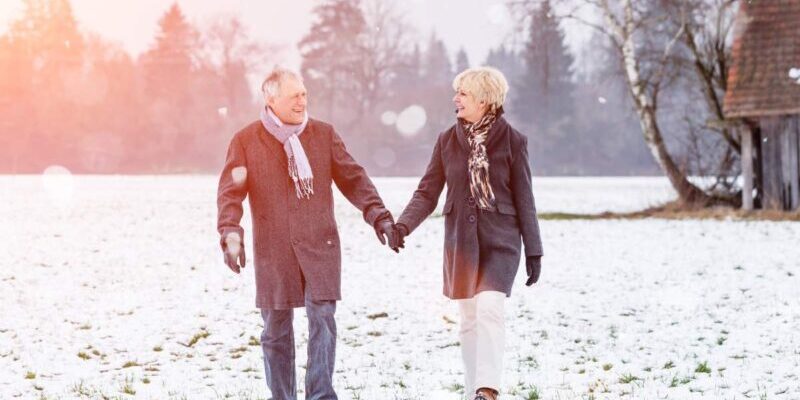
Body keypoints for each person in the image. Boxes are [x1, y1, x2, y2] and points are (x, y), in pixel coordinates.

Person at [216, 67, 402, 400]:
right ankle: (282, 396)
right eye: (294, 96)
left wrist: (379, 216)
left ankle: (320, 395)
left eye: (304, 94)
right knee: (275, 331)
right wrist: (230, 233)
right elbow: (230, 193)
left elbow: (354, 179)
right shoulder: (246, 141)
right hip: (274, 251)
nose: (303, 101)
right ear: (271, 100)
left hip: (320, 246)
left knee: (323, 321)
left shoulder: (323, 135)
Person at [394, 66, 543, 400]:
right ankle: (473, 388)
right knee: (469, 318)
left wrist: (534, 250)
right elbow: (427, 191)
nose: (455, 99)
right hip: (461, 241)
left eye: (463, 93)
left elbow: (525, 198)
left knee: (489, 305)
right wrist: (403, 225)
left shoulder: (513, 141)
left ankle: (488, 389)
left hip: (501, 239)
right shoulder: (448, 140)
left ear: (484, 100)